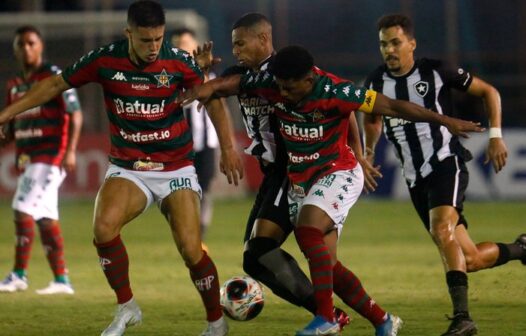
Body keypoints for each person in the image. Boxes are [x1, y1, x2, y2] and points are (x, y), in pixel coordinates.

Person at [179, 44, 484, 335]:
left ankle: (325, 319)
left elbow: (392, 106)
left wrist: (444, 121)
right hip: (302, 179)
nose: (282, 94)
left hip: (338, 171)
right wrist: (193, 87)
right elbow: (219, 87)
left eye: (290, 87)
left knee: (308, 229)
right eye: (280, 86)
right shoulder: (271, 83)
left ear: (309, 79)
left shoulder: (337, 91)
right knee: (328, 266)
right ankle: (383, 320)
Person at [0, 1, 243, 336]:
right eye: (145, 41)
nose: (153, 47)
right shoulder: (104, 59)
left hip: (175, 168)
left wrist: (228, 148)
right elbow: (56, 85)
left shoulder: (178, 61)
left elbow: (212, 98)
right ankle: (127, 307)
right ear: (128, 33)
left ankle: (216, 323)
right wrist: (8, 112)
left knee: (190, 248)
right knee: (103, 228)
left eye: (158, 39)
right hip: (130, 166)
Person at [362, 14, 526, 336]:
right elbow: (371, 117)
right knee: (471, 258)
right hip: (414, 178)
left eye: (395, 42)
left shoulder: (437, 70)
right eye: (383, 44)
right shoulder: (375, 82)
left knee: (441, 230)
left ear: (411, 43)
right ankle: (522, 249)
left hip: (445, 162)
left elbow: (489, 91)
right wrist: (368, 152)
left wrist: (495, 136)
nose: (389, 50)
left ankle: (463, 318)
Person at [0, 25, 82, 295]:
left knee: (22, 207)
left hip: (49, 155)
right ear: (15, 49)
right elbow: (11, 129)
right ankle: (61, 280)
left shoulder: (53, 76)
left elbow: (75, 113)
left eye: (31, 43)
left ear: (40, 46)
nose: (26, 48)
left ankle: (19, 275)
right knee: (45, 218)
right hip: (27, 157)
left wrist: (70, 150)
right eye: (21, 44)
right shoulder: (13, 86)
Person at [171, 28, 220, 244]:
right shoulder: (169, 78)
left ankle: (199, 235)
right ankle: (188, 233)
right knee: (183, 190)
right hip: (180, 144)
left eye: (186, 42)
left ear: (195, 46)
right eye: (178, 44)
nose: (183, 47)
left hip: (206, 143)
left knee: (205, 189)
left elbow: (211, 98)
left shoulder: (209, 76)